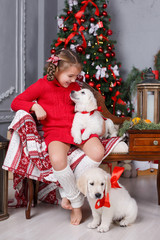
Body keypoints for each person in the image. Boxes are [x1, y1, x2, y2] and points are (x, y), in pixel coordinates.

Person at [11, 49, 105, 225]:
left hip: (76, 128)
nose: (73, 80)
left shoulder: (75, 87)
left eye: (76, 76)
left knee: (98, 152)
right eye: (70, 75)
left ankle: (67, 191)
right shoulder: (42, 85)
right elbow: (15, 102)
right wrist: (34, 107)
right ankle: (76, 203)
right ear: (58, 69)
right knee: (57, 159)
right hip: (55, 132)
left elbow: (85, 108)